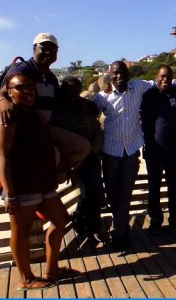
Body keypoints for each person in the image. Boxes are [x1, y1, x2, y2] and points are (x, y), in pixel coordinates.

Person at [0, 73, 79, 290]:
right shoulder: (8, 116)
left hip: (43, 182)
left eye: (31, 87)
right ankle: (26, 278)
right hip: (21, 184)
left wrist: (67, 164)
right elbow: (1, 155)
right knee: (20, 231)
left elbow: (50, 138)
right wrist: (10, 193)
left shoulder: (32, 113)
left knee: (61, 221)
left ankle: (52, 270)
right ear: (10, 92)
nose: (28, 91)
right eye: (21, 88)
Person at [0, 33, 91, 185]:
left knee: (83, 147)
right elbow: (2, 93)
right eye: (44, 48)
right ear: (34, 48)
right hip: (27, 129)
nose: (48, 52)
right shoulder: (24, 70)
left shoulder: (51, 77)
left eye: (53, 50)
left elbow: (60, 100)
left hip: (47, 127)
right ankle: (43, 186)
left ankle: (52, 182)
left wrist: (83, 102)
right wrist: (2, 101)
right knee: (54, 154)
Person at [92, 61, 157, 251]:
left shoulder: (137, 86)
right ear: (109, 75)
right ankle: (120, 227)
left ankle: (121, 232)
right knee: (113, 194)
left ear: (128, 74)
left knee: (125, 193)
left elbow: (161, 82)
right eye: (115, 74)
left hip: (130, 151)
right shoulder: (102, 97)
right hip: (111, 152)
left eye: (122, 73)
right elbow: (88, 114)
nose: (119, 76)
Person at [51, 76, 106, 247]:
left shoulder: (85, 106)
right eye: (68, 89)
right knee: (86, 194)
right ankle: (84, 224)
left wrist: (95, 152)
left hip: (90, 157)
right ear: (62, 89)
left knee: (96, 193)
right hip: (71, 160)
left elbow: (97, 129)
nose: (72, 92)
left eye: (76, 89)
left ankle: (93, 226)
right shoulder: (56, 109)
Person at [140, 66, 176, 235]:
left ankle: (175, 221)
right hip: (153, 150)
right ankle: (156, 220)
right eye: (162, 77)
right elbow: (142, 119)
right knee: (154, 187)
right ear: (156, 77)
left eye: (168, 77)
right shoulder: (148, 95)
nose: (165, 80)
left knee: (174, 187)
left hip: (174, 149)